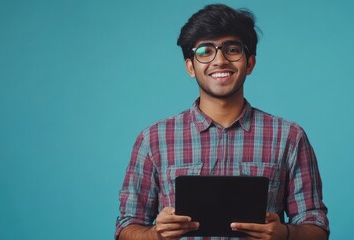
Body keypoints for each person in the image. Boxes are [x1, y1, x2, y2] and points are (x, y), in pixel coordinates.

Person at [115, 4, 329, 240]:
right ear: (190, 66)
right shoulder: (153, 140)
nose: (220, 60)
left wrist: (285, 234)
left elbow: (316, 226)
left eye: (232, 49)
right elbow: (126, 227)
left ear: (249, 63)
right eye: (205, 51)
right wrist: (156, 234)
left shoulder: (289, 137)